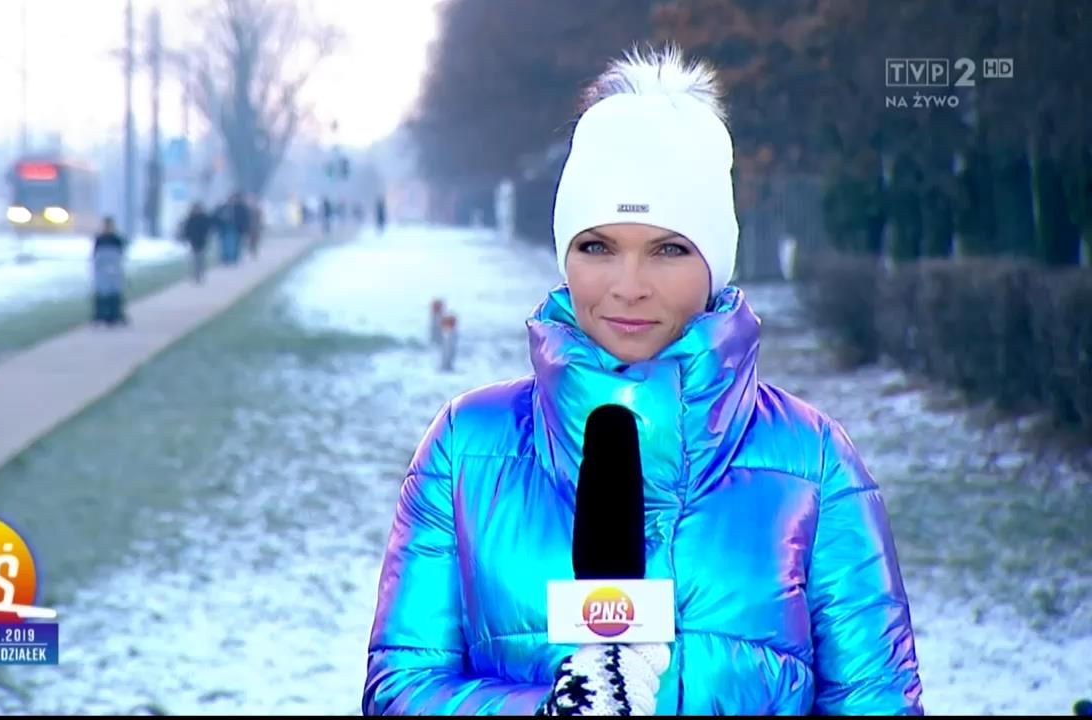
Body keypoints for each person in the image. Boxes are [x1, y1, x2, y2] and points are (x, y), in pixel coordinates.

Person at [363, 44, 924, 716]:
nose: (628, 286)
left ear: (714, 262)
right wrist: (551, 710)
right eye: (598, 246)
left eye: (668, 250)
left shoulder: (815, 464)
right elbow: (401, 690)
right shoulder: (465, 450)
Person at [91, 216, 128, 326]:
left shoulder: (116, 239)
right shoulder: (99, 239)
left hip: (114, 268)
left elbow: (121, 253)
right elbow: (95, 255)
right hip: (101, 269)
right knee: (101, 291)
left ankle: (115, 315)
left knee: (114, 291)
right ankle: (100, 315)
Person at [180, 201, 213, 284]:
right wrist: (185, 238)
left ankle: (200, 273)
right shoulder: (190, 218)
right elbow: (186, 229)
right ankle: (195, 274)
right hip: (193, 241)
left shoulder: (205, 218)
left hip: (202, 241)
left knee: (201, 258)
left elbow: (208, 229)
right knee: (194, 259)